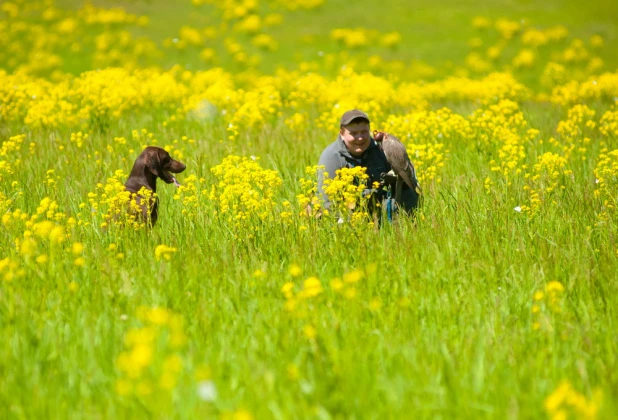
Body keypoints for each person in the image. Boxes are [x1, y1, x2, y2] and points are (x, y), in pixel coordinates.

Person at [317, 109, 420, 217]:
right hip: (346, 211)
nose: (360, 138)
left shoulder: (380, 149)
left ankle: (404, 228)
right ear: (342, 134)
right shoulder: (331, 157)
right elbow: (327, 202)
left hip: (376, 204)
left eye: (364, 132)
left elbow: (403, 183)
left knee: (409, 195)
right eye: (353, 133)